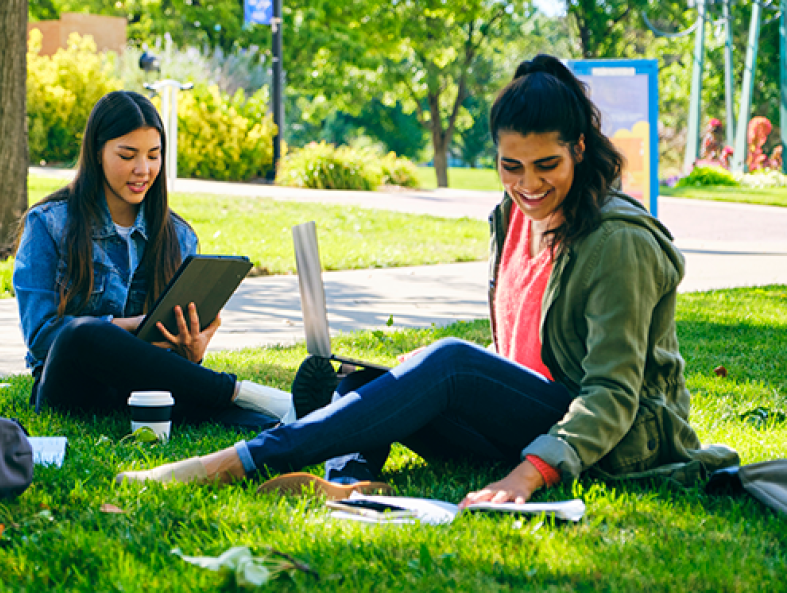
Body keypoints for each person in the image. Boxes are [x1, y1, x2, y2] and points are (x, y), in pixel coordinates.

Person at [117, 55, 740, 504]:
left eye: (547, 165)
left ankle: (233, 462)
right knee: (378, 379)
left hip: (615, 449)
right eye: (510, 166)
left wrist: (528, 475)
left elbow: (610, 393)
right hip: (530, 421)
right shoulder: (514, 218)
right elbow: (524, 355)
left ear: (580, 146)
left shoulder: (618, 242)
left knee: (447, 365)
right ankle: (351, 478)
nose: (528, 185)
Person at [14, 90, 313, 426]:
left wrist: (192, 350)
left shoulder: (179, 235)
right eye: (127, 156)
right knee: (82, 334)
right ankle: (239, 391)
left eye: (154, 156)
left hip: (149, 390)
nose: (143, 169)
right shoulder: (49, 223)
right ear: (97, 153)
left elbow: (175, 360)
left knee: (234, 419)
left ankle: (295, 418)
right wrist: (134, 326)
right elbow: (41, 339)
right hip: (74, 389)